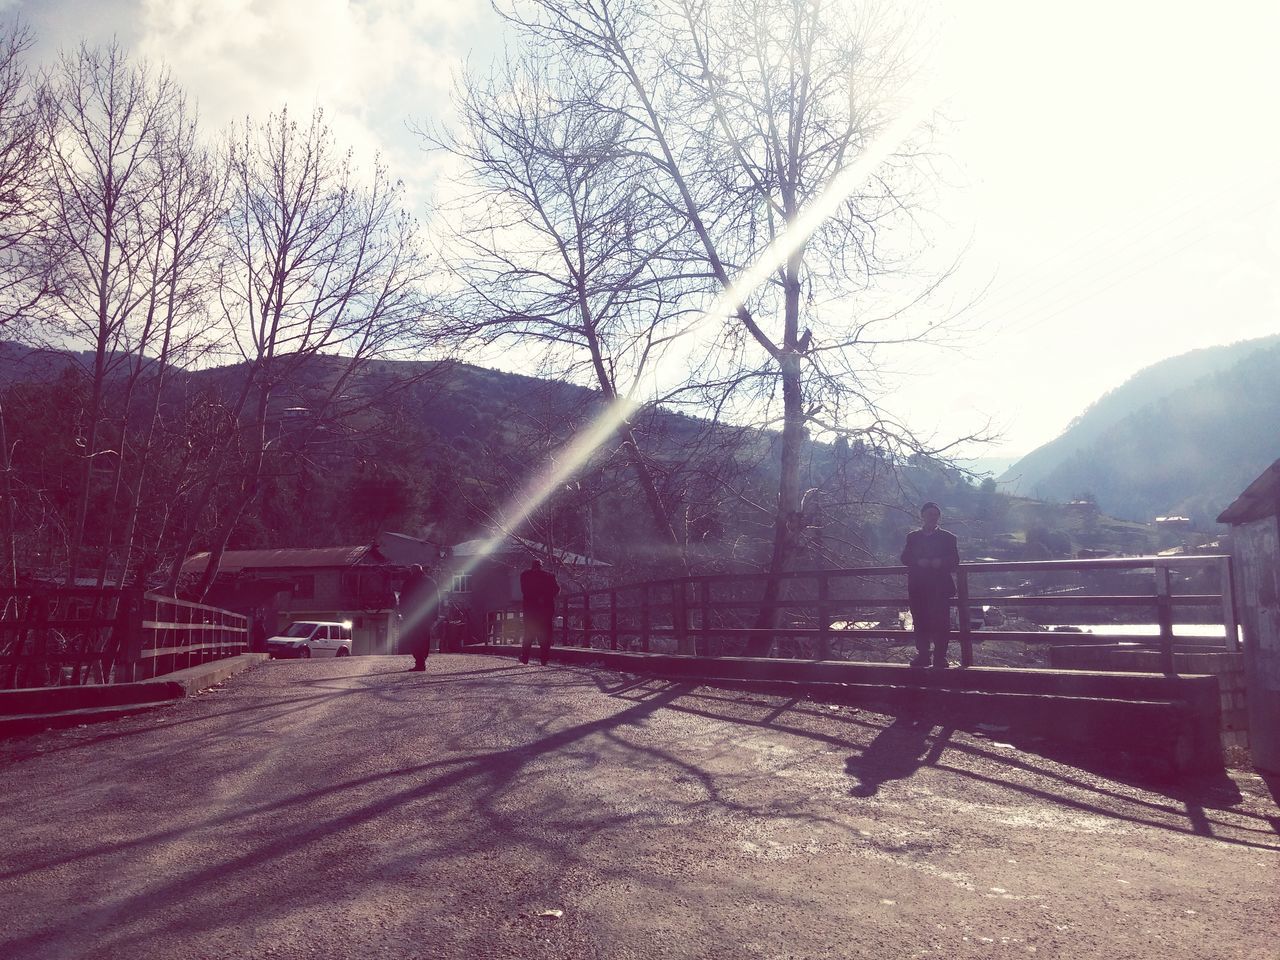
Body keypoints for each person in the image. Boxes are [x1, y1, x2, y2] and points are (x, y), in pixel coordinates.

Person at [900, 501, 960, 668]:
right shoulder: (912, 537)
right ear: (923, 516)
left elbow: (955, 560)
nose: (932, 517)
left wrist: (939, 562)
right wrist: (919, 561)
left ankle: (940, 658)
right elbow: (904, 558)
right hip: (918, 587)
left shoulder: (949, 538)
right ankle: (924, 656)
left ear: (938, 517)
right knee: (920, 622)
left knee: (941, 623)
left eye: (935, 514)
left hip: (940, 588)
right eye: (929, 514)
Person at [519, 558, 560, 665]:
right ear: (541, 566)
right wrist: (545, 597)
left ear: (532, 566)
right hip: (546, 610)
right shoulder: (549, 576)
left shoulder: (525, 576)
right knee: (546, 634)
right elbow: (556, 590)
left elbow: (524, 591)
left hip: (530, 610)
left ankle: (525, 657)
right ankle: (544, 659)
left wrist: (535, 598)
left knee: (528, 633)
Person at [400, 564, 437, 671]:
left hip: (412, 616)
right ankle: (422, 660)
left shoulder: (408, 582)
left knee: (414, 638)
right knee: (425, 638)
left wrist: (403, 613)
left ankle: (419, 661)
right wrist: (435, 616)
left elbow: (403, 599)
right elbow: (435, 599)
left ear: (412, 571)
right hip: (427, 616)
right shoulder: (430, 582)